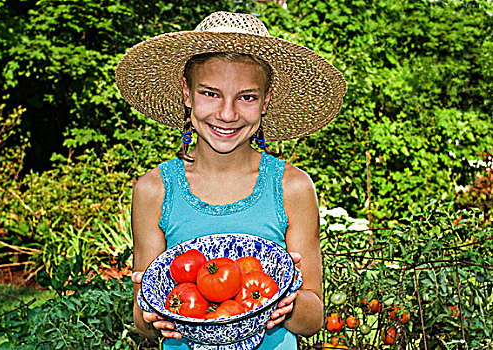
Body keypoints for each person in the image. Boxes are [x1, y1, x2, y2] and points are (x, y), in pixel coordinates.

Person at [115, 11, 346, 350]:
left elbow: (313, 319)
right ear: (187, 94)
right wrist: (151, 313)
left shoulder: (291, 187)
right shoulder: (154, 191)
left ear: (265, 101)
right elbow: (142, 316)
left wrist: (289, 300)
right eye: (210, 93)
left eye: (247, 97)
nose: (227, 113)